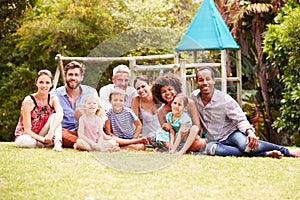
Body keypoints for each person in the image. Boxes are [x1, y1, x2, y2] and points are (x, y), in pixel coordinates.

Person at [190, 67, 300, 158]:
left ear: (213, 81)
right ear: (197, 82)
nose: (205, 83)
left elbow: (240, 119)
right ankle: (265, 154)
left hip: (232, 134)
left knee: (246, 146)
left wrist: (250, 133)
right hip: (215, 140)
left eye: (208, 79)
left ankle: (287, 151)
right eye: (201, 80)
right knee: (211, 149)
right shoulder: (194, 98)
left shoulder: (225, 100)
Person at [150, 72, 206, 154]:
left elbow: (197, 126)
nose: (168, 93)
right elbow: (165, 133)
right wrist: (166, 127)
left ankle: (174, 149)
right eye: (163, 92)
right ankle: (174, 149)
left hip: (188, 138)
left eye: (170, 89)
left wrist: (187, 130)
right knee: (150, 137)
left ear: (176, 89)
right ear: (160, 94)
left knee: (201, 143)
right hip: (171, 140)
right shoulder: (160, 111)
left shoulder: (189, 103)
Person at [51, 61, 98, 148]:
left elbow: (99, 114)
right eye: (70, 75)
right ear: (65, 76)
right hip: (65, 132)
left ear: (81, 77)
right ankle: (88, 144)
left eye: (76, 75)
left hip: (87, 132)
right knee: (58, 134)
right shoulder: (55, 95)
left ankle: (86, 143)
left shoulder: (91, 92)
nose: (73, 78)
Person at [14, 69, 63, 152]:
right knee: (27, 142)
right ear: (36, 83)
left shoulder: (53, 98)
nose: (44, 85)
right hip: (27, 136)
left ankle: (57, 144)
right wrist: (44, 139)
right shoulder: (28, 101)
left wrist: (51, 131)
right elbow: (27, 130)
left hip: (42, 133)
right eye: (41, 82)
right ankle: (42, 143)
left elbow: (60, 113)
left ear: (51, 84)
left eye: (47, 83)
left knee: (56, 116)